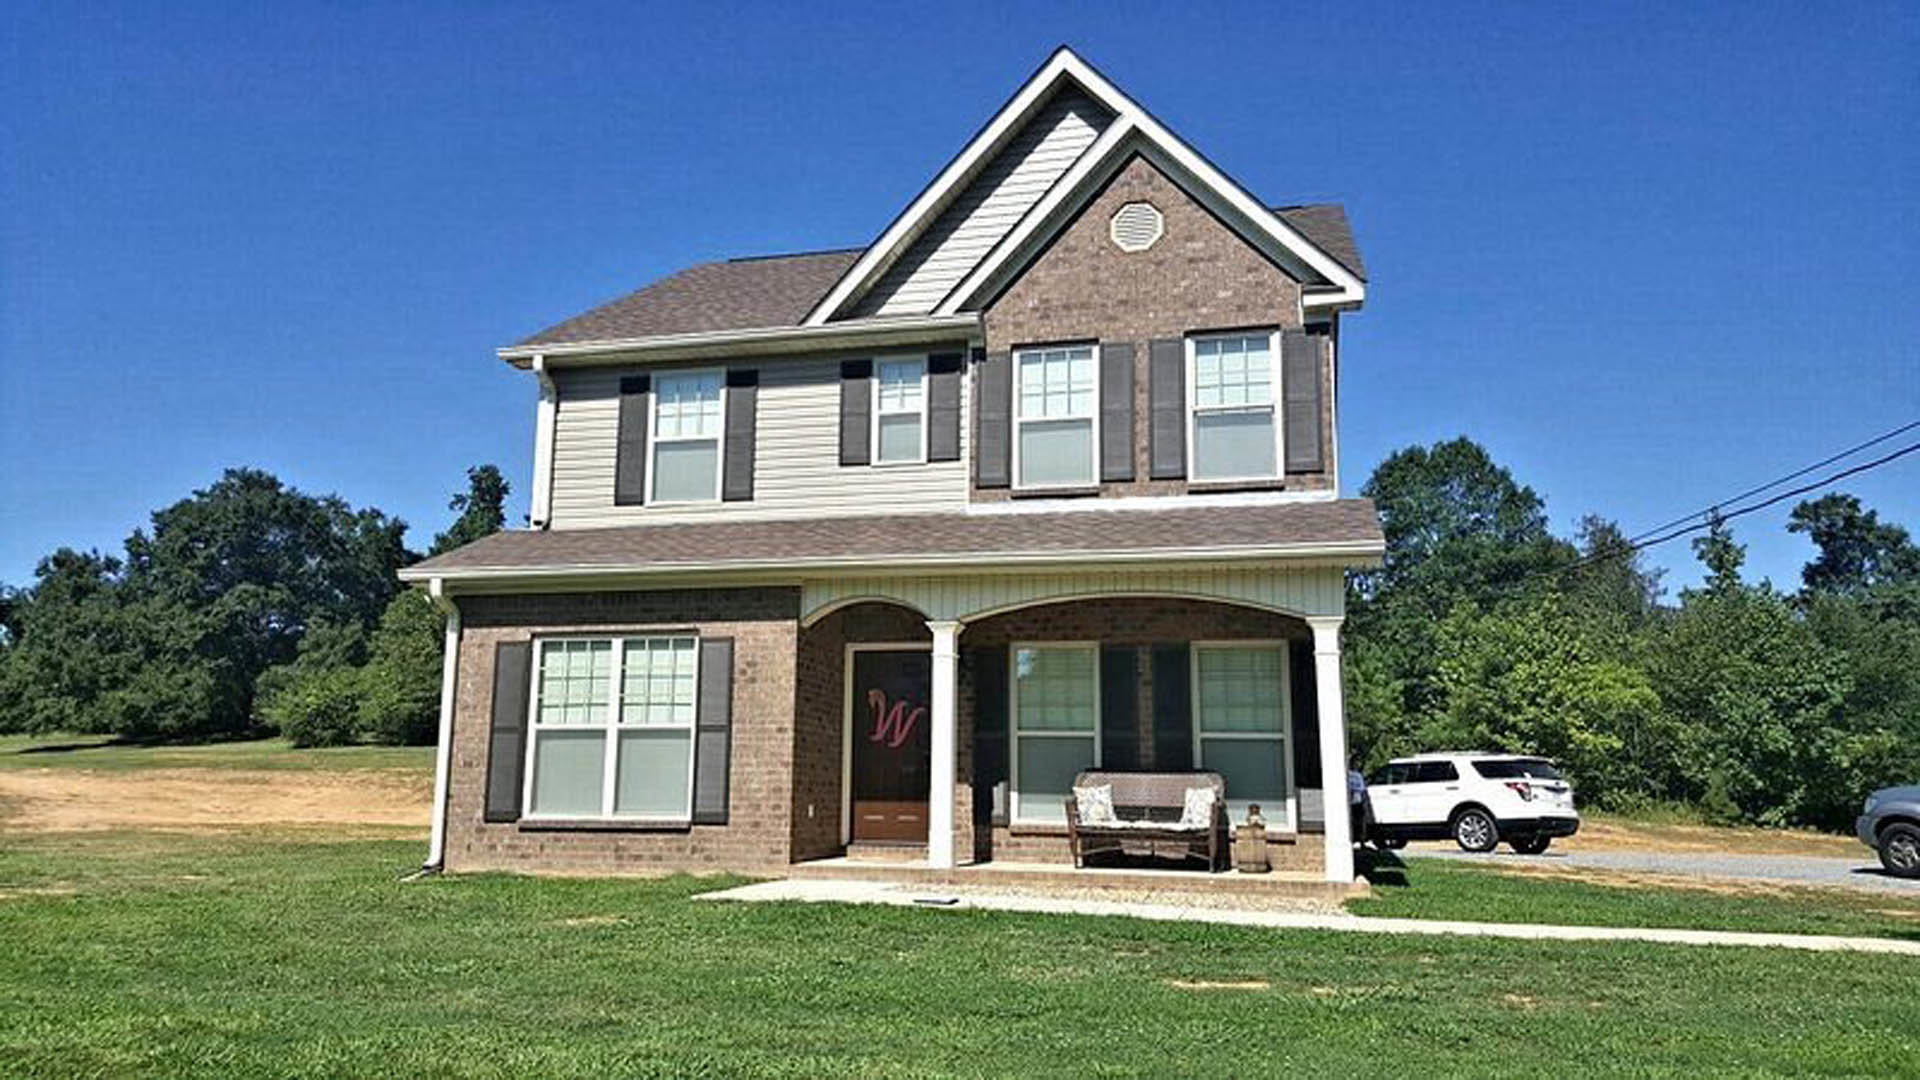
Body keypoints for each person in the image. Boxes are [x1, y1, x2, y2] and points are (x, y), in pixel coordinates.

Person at [1347, 764, 1370, 847]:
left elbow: (1362, 790)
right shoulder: (1348, 775)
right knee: (1352, 822)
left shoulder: (1357, 775)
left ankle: (1361, 841)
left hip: (1357, 800)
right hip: (1350, 802)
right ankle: (1353, 840)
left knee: (1360, 822)